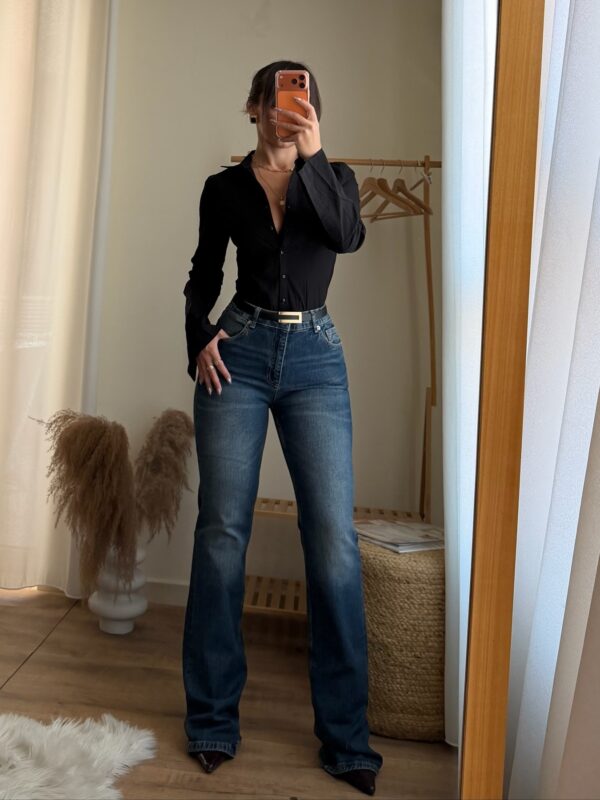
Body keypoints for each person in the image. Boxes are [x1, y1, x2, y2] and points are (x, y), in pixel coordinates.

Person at [181, 60, 383, 796]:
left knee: (331, 539)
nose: (287, 110)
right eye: (276, 99)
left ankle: (346, 740)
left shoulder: (337, 179)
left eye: (300, 99)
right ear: (254, 107)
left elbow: (347, 237)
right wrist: (197, 335)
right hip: (238, 350)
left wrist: (314, 156)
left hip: (315, 359)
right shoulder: (224, 188)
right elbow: (205, 274)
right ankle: (211, 720)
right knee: (221, 533)